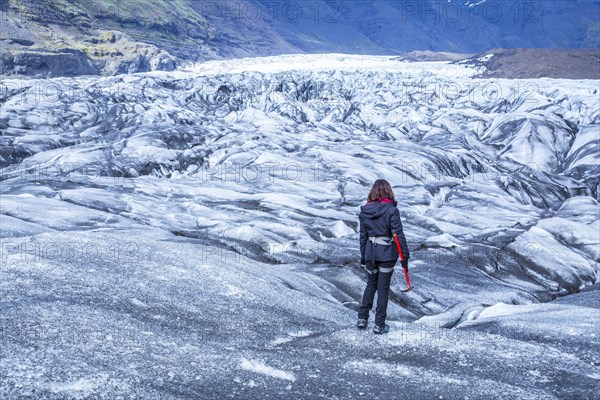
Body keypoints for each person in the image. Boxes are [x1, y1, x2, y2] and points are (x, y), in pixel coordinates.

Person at [357, 179, 410, 334]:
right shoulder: (391, 211)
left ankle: (362, 318)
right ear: (388, 191)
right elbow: (398, 235)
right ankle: (379, 325)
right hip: (386, 254)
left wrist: (363, 255)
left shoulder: (364, 211)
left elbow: (363, 236)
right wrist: (404, 256)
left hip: (370, 254)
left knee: (370, 284)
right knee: (383, 288)